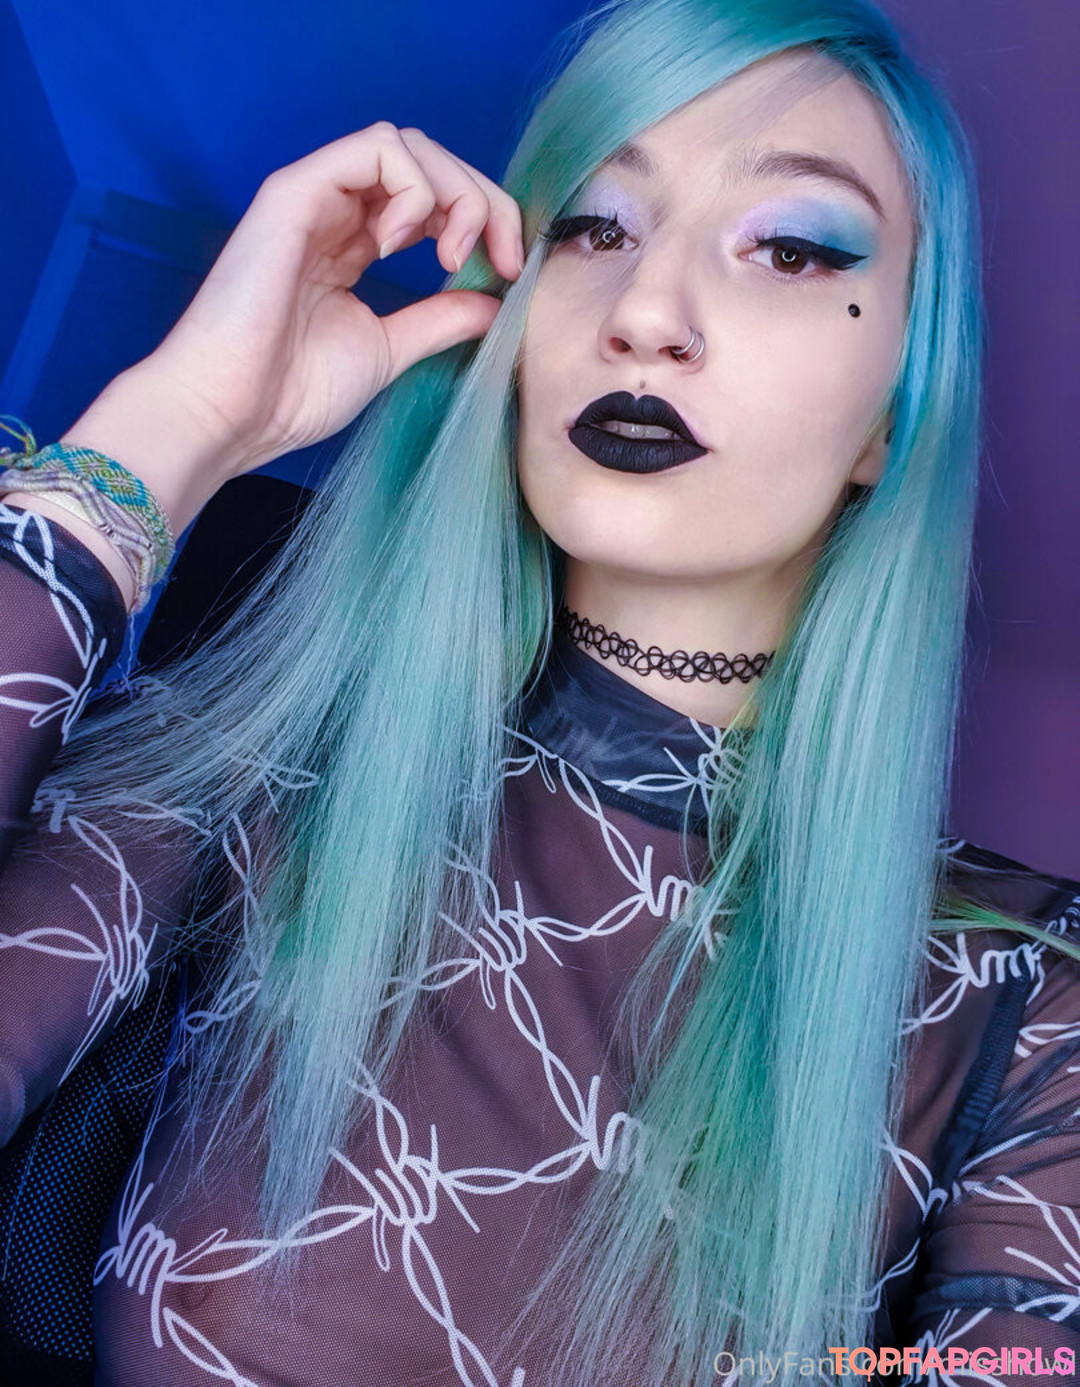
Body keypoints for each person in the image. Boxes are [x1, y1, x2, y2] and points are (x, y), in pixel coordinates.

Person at [0, 0, 1078, 1382]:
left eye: (792, 248)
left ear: (894, 411)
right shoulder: (247, 773)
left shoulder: (1026, 997)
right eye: (592, 227)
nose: (644, 316)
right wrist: (182, 424)